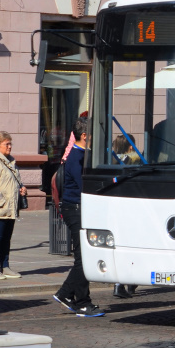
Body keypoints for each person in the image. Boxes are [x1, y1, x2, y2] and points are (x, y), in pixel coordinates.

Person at [53, 116, 105, 317]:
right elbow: (84, 185)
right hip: (74, 208)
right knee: (84, 258)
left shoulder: (83, 154)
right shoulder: (77, 156)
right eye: (93, 134)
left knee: (84, 257)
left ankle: (66, 294)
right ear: (84, 135)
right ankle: (82, 302)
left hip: (78, 208)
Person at [0, 131, 27, 280]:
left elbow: (15, 182)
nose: (10, 147)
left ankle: (5, 266)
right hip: (0, 208)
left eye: (10, 144)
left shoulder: (12, 162)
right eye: (6, 144)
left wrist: (22, 188)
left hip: (11, 208)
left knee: (6, 239)